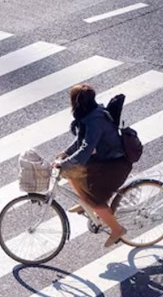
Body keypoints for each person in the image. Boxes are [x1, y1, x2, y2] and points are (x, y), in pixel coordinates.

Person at [54, 83, 133, 247]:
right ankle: (85, 201)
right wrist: (66, 153)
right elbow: (81, 140)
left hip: (114, 164)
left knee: (95, 199)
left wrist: (65, 163)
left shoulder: (95, 120)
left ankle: (117, 229)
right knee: (72, 172)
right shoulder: (89, 112)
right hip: (103, 159)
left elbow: (86, 148)